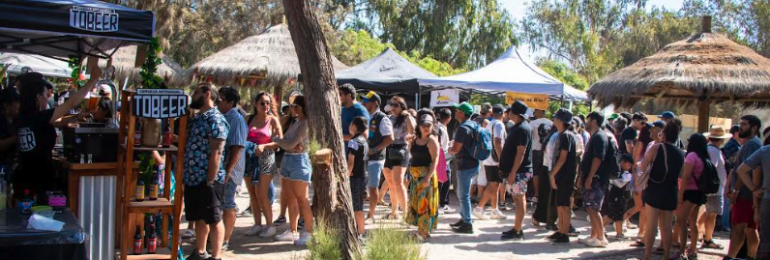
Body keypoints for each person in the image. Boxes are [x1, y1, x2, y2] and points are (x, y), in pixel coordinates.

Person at [13, 70, 100, 197]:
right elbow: (71, 102)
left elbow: (56, 122)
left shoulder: (24, 117)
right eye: (45, 94)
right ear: (38, 97)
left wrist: (76, 117)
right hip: (39, 181)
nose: (47, 97)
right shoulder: (39, 117)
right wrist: (92, 81)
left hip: (24, 178)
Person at [184, 83, 229, 260]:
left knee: (214, 217)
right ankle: (200, 252)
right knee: (200, 217)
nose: (193, 96)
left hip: (208, 179)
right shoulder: (197, 118)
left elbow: (217, 151)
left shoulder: (215, 119)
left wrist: (210, 180)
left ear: (207, 94)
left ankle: (216, 256)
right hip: (193, 178)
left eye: (196, 92)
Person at [640, 119, 685, 260]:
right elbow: (681, 175)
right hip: (671, 191)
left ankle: (647, 255)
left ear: (663, 135)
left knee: (651, 225)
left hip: (654, 189)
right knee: (666, 227)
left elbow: (643, 166)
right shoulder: (681, 152)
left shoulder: (656, 148)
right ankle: (666, 255)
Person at [273, 96, 312, 245]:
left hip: (298, 161)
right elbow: (288, 143)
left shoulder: (305, 124)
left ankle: (309, 233)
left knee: (302, 199)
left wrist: (277, 140)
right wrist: (284, 142)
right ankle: (293, 231)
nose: (291, 109)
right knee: (290, 198)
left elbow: (289, 144)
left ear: (300, 107)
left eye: (294, 106)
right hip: (289, 159)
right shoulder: (295, 122)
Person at [243, 93, 282, 237]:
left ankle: (270, 225)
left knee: (262, 194)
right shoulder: (248, 119)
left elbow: (279, 141)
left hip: (266, 158)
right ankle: (257, 224)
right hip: (249, 157)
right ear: (255, 104)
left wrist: (264, 146)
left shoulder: (273, 121)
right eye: (262, 103)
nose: (265, 106)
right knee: (252, 194)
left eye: (267, 103)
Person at [725, 115, 762, 260]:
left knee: (738, 228)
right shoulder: (753, 143)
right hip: (749, 193)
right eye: (740, 124)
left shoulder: (752, 145)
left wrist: (736, 190)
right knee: (750, 229)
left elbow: (745, 170)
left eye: (744, 124)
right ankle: (751, 257)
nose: (741, 127)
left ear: (754, 128)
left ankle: (730, 257)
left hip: (745, 194)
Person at [579, 111, 617, 247]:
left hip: (596, 178)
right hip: (592, 177)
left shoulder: (600, 137)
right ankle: (593, 236)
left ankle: (601, 237)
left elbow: (598, 158)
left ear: (593, 121)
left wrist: (589, 177)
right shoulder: (595, 136)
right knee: (590, 208)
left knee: (594, 209)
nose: (586, 122)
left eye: (588, 119)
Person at [216, 87, 247, 251]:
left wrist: (227, 172)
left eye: (220, 99)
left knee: (227, 203)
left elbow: (237, 148)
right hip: (222, 169)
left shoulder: (236, 119)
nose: (217, 102)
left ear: (230, 102)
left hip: (230, 170)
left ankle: (225, 240)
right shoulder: (223, 116)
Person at [497, 101, 532, 239]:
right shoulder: (518, 127)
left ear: (515, 113)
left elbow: (521, 152)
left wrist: (513, 172)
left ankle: (517, 230)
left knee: (519, 199)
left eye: (510, 110)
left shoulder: (522, 128)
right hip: (516, 171)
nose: (508, 112)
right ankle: (517, 228)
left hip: (519, 172)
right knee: (518, 199)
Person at [628, 120, 665, 247]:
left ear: (661, 131)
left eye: (653, 128)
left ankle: (657, 243)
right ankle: (645, 237)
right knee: (647, 210)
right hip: (647, 182)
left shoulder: (664, 146)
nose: (650, 130)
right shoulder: (650, 144)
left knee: (658, 214)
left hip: (658, 183)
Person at [674, 133, 711, 260]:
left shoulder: (691, 156)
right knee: (693, 222)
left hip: (689, 192)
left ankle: (682, 252)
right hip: (700, 193)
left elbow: (686, 176)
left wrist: (680, 194)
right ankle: (693, 250)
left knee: (682, 221)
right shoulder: (704, 156)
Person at [405, 109, 441, 241]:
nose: (426, 128)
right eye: (424, 125)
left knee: (424, 205)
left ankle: (422, 232)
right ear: (419, 125)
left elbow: (435, 160)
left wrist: (427, 178)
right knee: (418, 204)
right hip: (416, 177)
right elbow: (411, 155)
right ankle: (423, 230)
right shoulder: (415, 139)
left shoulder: (432, 140)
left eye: (429, 125)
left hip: (426, 177)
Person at [360, 91, 393, 221]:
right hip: (362, 158)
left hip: (375, 159)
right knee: (360, 187)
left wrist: (374, 149)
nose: (363, 103)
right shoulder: (362, 116)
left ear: (375, 104)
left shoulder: (382, 118)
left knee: (373, 187)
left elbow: (390, 138)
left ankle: (371, 214)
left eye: (366, 102)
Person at [449, 102, 480, 234]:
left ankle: (467, 223)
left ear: (462, 113)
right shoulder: (473, 124)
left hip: (465, 165)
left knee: (463, 195)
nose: (455, 113)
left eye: (457, 111)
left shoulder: (462, 128)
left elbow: (456, 149)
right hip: (473, 164)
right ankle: (464, 218)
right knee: (462, 194)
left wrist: (450, 149)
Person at [735, 140, 770, 260]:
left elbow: (741, 170)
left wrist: (754, 189)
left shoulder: (765, 150)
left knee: (766, 240)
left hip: (767, 200)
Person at [547, 108, 577, 244]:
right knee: (559, 204)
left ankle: (565, 232)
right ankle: (560, 230)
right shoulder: (562, 135)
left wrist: (552, 173)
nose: (554, 120)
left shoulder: (566, 136)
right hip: (561, 175)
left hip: (565, 176)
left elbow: (563, 158)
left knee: (564, 205)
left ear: (561, 120)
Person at [698, 125, 731, 250]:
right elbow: (711, 169)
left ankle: (704, 235)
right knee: (712, 214)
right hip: (714, 189)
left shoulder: (710, 149)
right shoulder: (714, 151)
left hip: (713, 188)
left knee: (709, 213)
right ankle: (708, 239)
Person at [382, 96, 414, 220]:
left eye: (396, 105)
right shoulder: (388, 118)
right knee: (390, 182)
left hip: (401, 150)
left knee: (398, 182)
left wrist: (408, 116)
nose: (393, 107)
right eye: (392, 105)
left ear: (402, 107)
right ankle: (394, 211)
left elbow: (413, 133)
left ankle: (405, 213)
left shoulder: (406, 118)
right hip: (387, 150)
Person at [474, 104, 507, 221]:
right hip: (495, 160)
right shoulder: (498, 124)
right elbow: (498, 142)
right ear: (503, 113)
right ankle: (479, 208)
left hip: (489, 158)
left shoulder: (491, 123)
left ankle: (494, 209)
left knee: (496, 184)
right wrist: (502, 159)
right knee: (493, 185)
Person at [346, 116, 369, 241]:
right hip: (363, 176)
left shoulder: (353, 141)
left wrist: (346, 176)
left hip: (355, 178)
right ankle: (359, 232)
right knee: (357, 206)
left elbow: (351, 161)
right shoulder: (364, 141)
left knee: (357, 207)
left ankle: (360, 233)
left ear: (354, 126)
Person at [603, 153, 633, 241]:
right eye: (628, 164)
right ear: (623, 162)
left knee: (611, 214)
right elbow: (619, 184)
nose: (629, 166)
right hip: (615, 196)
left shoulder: (626, 174)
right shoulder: (616, 171)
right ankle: (619, 233)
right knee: (618, 215)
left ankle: (600, 228)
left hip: (618, 196)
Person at [720, 124, 741, 232]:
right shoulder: (733, 146)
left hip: (730, 176)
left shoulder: (735, 145)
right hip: (729, 176)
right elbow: (730, 163)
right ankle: (724, 224)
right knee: (727, 202)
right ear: (736, 133)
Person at [529, 108, 552, 206]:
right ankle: (546, 194)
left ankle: (537, 194)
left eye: (536, 111)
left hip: (536, 149)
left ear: (541, 111)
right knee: (547, 171)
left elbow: (528, 136)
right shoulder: (551, 123)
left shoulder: (533, 123)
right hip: (548, 150)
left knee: (536, 172)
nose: (534, 113)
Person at [436, 108, 454, 212]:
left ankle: (442, 203)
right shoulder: (441, 129)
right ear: (449, 118)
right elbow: (440, 145)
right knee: (444, 182)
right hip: (442, 159)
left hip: (443, 159)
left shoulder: (441, 127)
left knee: (444, 181)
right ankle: (441, 204)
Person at [0, 87, 20, 167]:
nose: (20, 105)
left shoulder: (17, 120)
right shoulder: (1, 120)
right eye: (17, 102)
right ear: (7, 105)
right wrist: (16, 138)